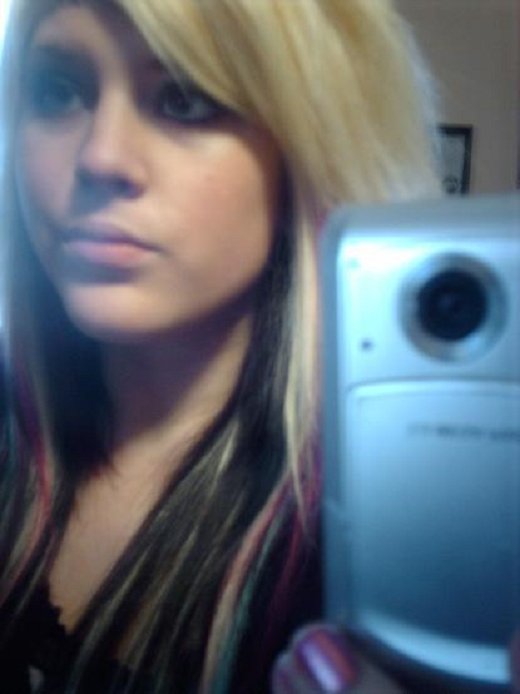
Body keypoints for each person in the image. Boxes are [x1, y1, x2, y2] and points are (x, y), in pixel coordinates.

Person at [0, 0, 440, 691]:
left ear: (308, 151)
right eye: (57, 91)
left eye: (183, 99)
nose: (100, 158)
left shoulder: (393, 542)